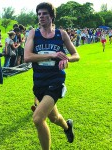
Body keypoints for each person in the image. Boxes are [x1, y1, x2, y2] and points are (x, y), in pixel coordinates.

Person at [24, 2, 80, 150]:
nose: (41, 17)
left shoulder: (61, 34)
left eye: (45, 14)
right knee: (54, 118)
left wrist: (67, 59)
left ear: (52, 16)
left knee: (37, 119)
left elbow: (76, 55)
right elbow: (27, 57)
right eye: (39, 14)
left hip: (55, 81)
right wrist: (52, 54)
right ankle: (67, 127)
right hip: (39, 82)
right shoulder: (33, 33)